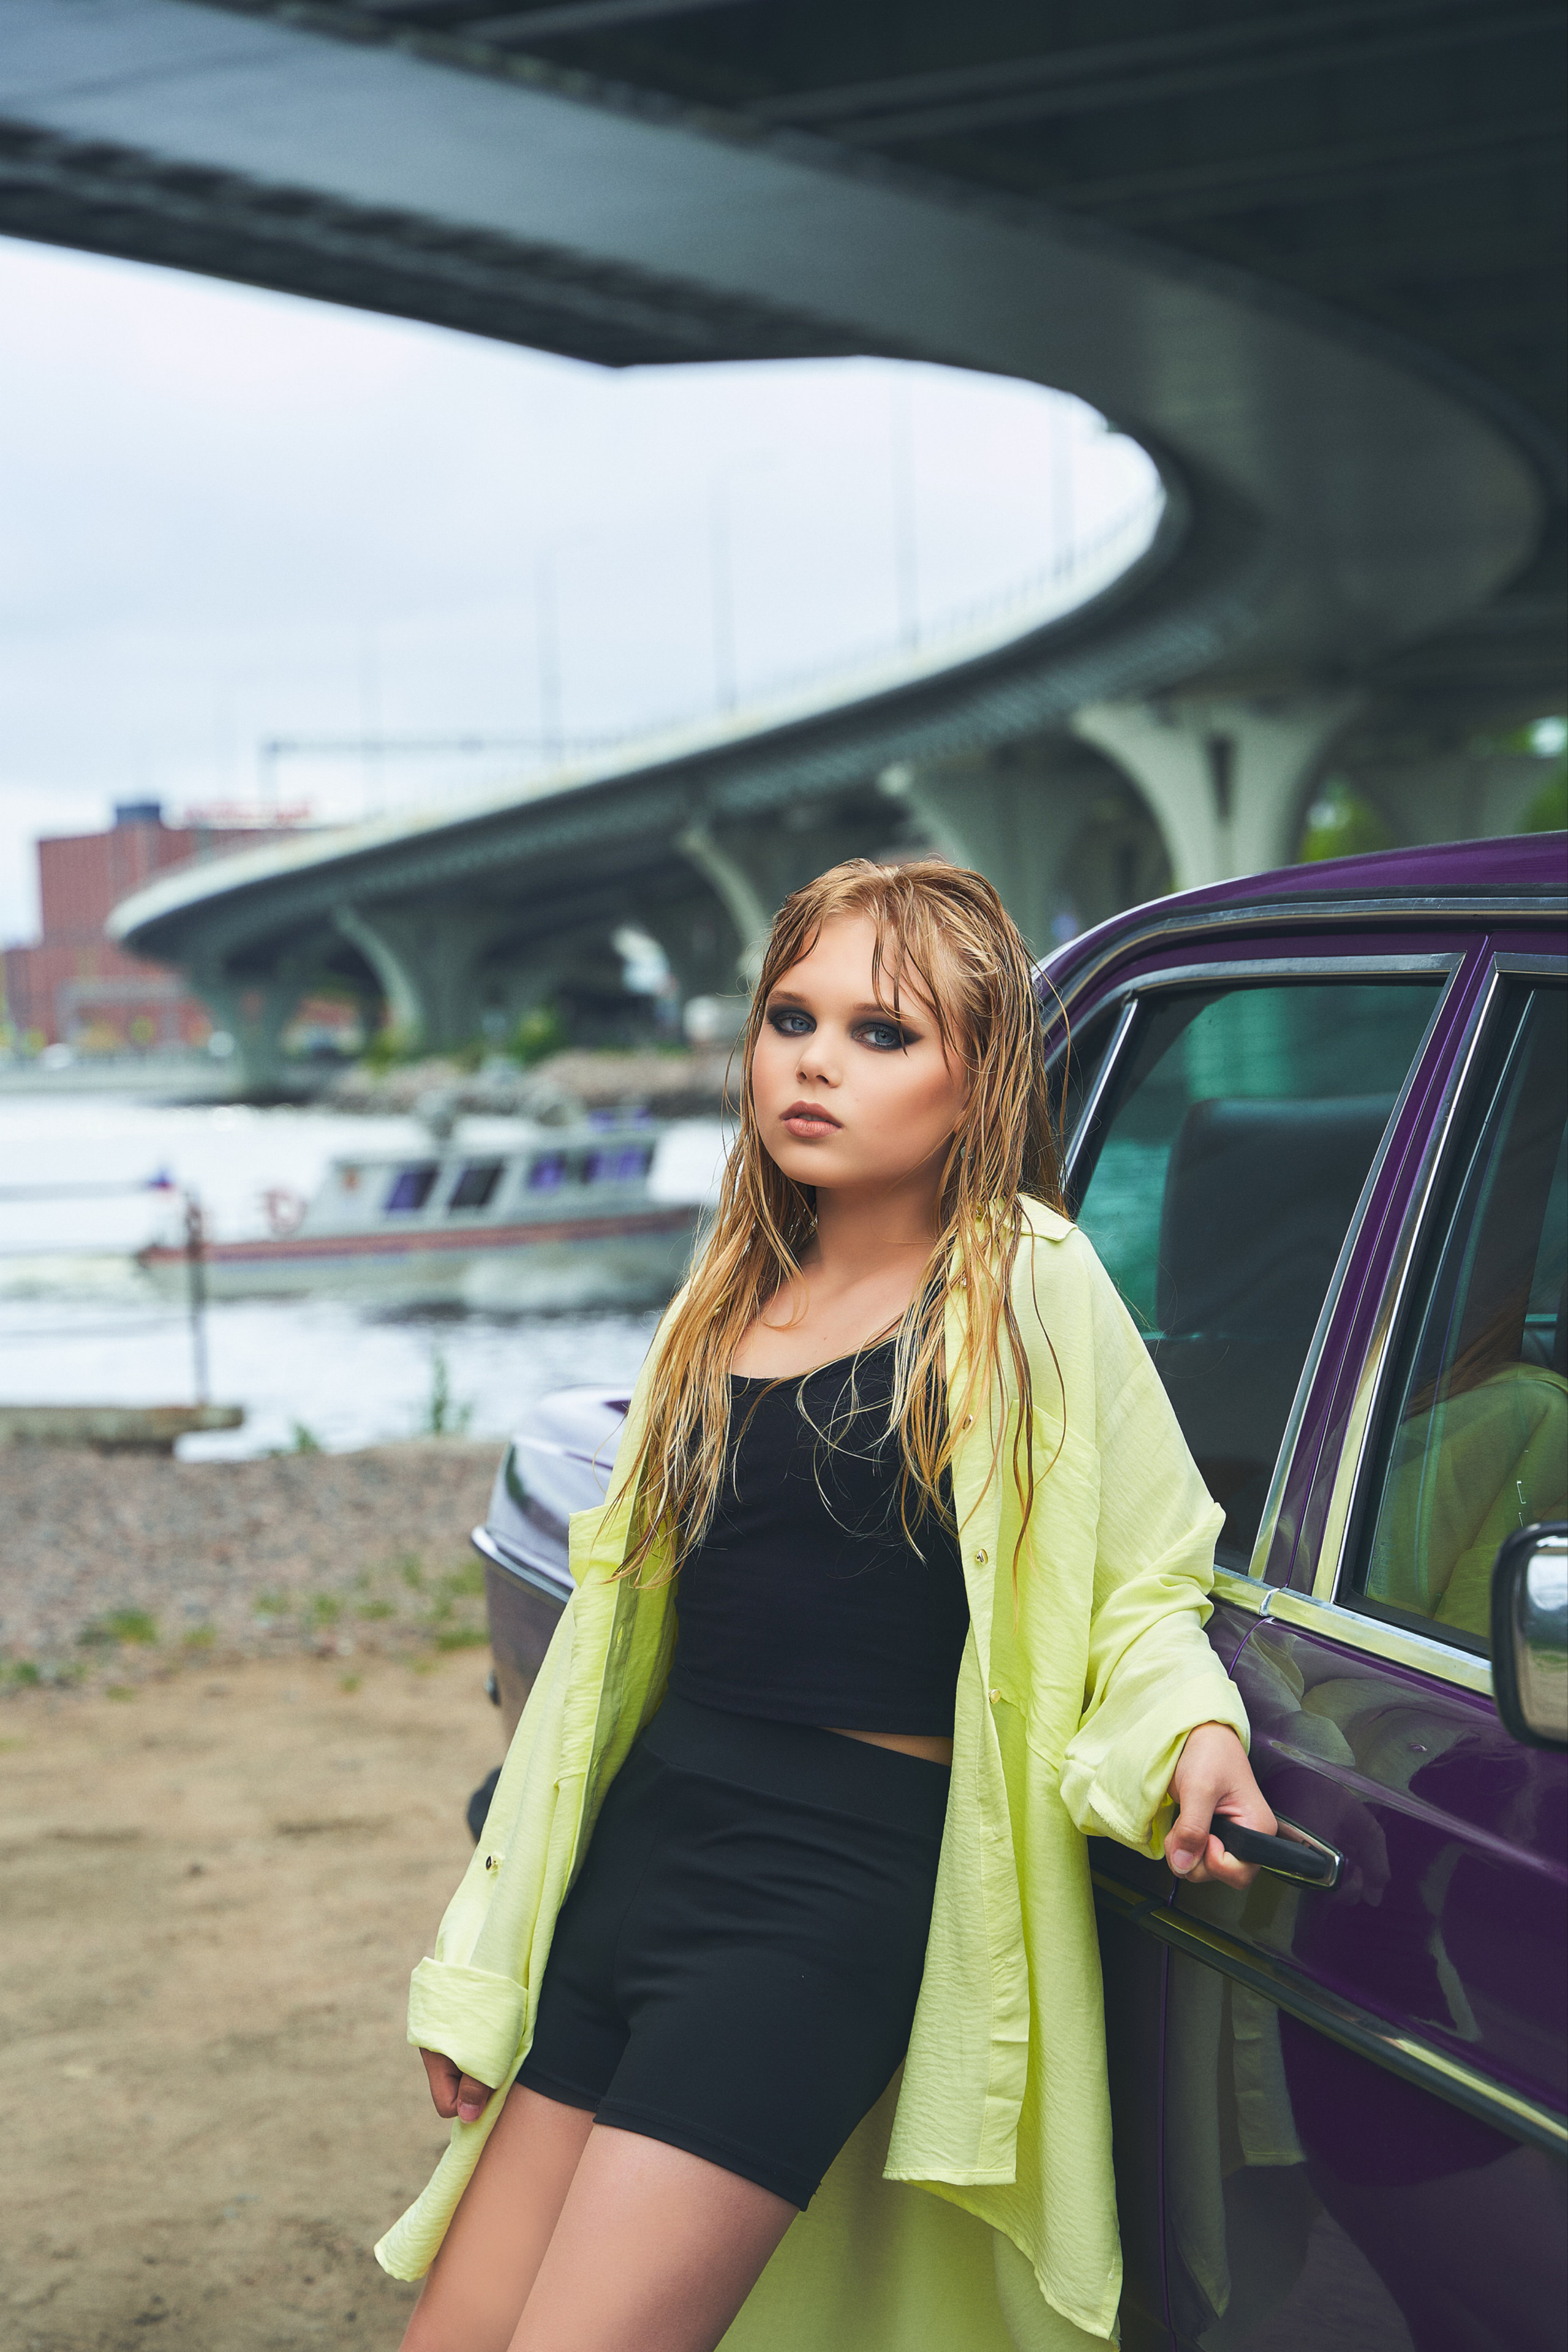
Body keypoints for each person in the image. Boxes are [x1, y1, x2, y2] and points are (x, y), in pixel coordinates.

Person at [377, 859, 1276, 2352]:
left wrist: (1190, 1728)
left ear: (975, 1076)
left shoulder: (1018, 1282)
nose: (812, 1061)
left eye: (881, 1033)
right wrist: (490, 1963)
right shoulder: (729, 1289)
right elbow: (602, 1663)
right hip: (642, 1857)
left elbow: (1134, 1572)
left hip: (811, 1907)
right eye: (790, 1017)